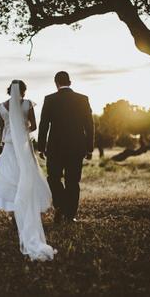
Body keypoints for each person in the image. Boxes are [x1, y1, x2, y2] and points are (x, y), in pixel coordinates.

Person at [0, 80, 56, 261]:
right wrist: (22, 127)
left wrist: (8, 135)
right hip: (24, 147)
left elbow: (1, 129)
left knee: (9, 178)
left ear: (9, 91)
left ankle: (14, 213)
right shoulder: (27, 104)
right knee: (27, 177)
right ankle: (26, 212)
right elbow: (33, 126)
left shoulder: (2, 107)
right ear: (24, 91)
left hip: (10, 147)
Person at [38, 71, 94, 224]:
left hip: (55, 147)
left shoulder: (50, 99)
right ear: (70, 82)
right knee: (72, 181)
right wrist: (90, 148)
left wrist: (41, 147)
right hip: (76, 147)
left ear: (56, 83)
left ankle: (60, 206)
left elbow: (43, 125)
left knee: (53, 178)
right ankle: (70, 215)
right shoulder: (82, 99)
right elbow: (89, 125)